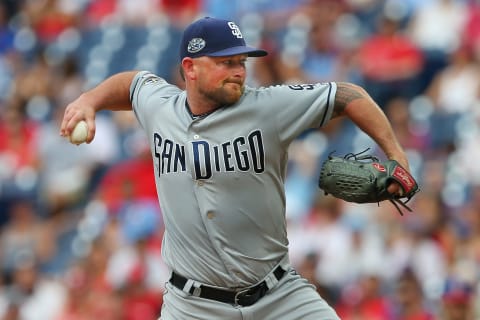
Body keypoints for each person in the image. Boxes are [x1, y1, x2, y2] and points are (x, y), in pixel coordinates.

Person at [60, 16, 411, 320]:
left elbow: (348, 95)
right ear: (190, 68)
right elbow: (133, 83)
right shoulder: (161, 107)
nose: (239, 71)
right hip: (193, 305)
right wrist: (89, 101)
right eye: (225, 63)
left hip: (279, 296)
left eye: (241, 62)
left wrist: (397, 153)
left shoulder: (269, 108)